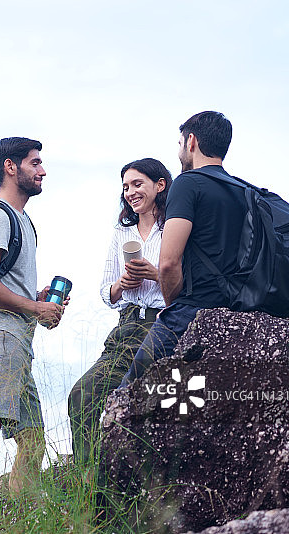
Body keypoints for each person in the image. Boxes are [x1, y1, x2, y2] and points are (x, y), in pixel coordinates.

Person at [0, 137, 68, 534]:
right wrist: (36, 308)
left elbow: (2, 281)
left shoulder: (23, 222)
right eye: (35, 163)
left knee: (34, 440)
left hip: (18, 339)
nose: (42, 171)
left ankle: (16, 522)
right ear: (10, 167)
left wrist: (36, 299)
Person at [120, 111, 245, 387]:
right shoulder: (243, 190)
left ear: (191, 141)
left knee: (129, 393)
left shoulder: (187, 184)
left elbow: (168, 262)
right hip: (237, 309)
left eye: (179, 144)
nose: (179, 151)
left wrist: (171, 308)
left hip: (192, 309)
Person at [67, 158, 172, 462]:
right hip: (125, 326)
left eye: (138, 184)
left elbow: (185, 288)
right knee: (82, 395)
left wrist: (156, 274)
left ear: (160, 185)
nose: (130, 192)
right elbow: (106, 292)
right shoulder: (121, 233)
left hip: (161, 324)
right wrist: (122, 284)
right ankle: (86, 481)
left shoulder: (173, 229)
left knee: (148, 413)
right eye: (125, 186)